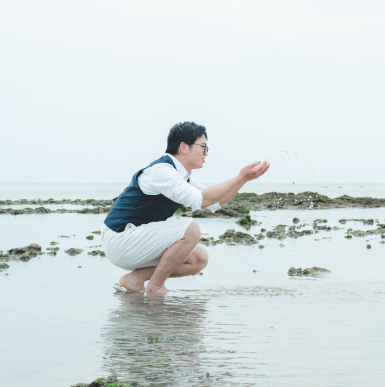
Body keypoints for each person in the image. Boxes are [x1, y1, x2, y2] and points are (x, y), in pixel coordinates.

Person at [101, 121, 269, 293]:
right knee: (191, 229)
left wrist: (244, 179)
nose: (206, 153)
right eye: (203, 147)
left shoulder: (183, 176)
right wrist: (240, 177)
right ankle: (155, 287)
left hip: (133, 240)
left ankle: (135, 279)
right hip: (119, 240)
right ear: (183, 147)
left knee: (198, 259)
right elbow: (201, 200)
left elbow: (214, 203)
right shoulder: (161, 171)